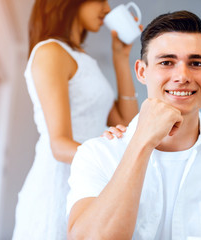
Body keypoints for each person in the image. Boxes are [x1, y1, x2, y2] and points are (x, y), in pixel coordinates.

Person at [67, 10, 201, 239]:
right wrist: (141, 142)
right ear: (142, 72)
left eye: (195, 63)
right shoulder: (97, 155)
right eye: (166, 62)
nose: (182, 75)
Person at [12, 0, 139, 239]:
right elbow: (59, 145)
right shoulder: (50, 51)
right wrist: (117, 165)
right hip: (56, 187)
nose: (107, 9)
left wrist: (121, 58)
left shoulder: (82, 58)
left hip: (85, 182)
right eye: (100, 0)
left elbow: (128, 123)